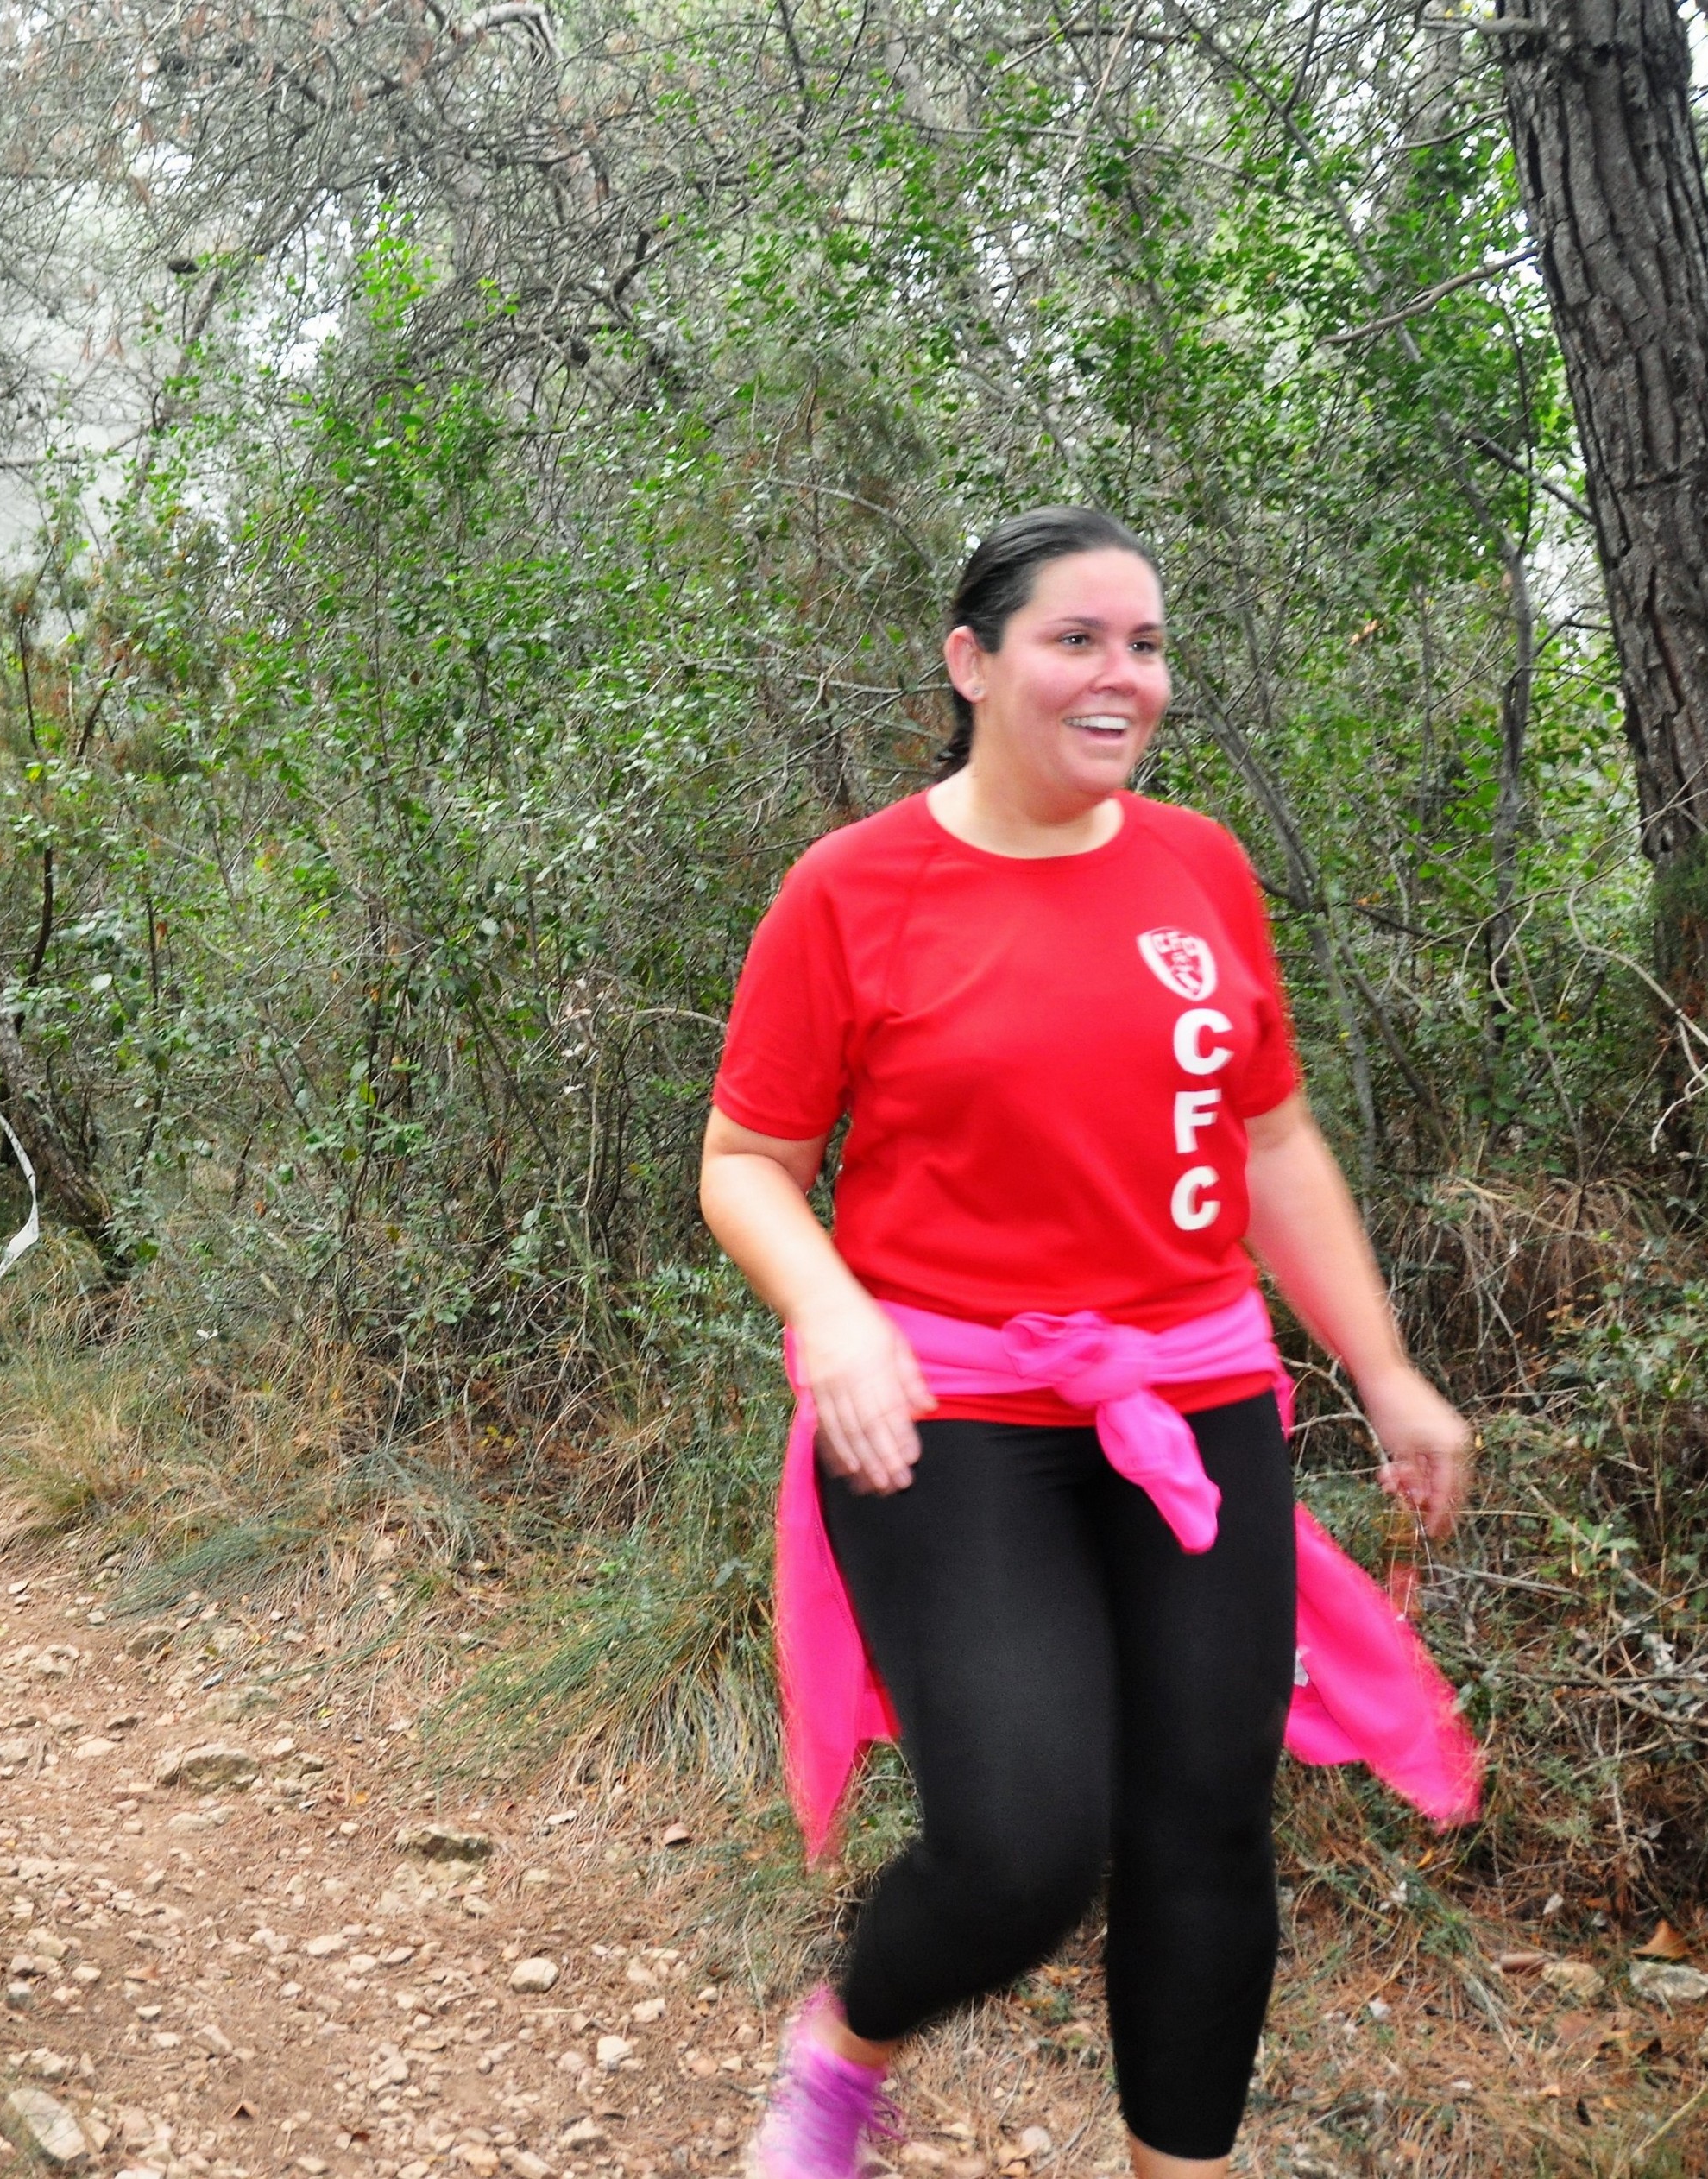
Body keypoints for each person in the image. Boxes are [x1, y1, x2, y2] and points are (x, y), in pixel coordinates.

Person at [699, 509, 1474, 2179]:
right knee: (1019, 1849)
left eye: (1144, 643)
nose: (1122, 674)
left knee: (1203, 1828)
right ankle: (842, 2050)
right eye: (1075, 639)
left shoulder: (1197, 864)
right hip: (943, 1406)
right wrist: (829, 1311)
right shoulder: (853, 887)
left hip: (1193, 1397)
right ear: (969, 661)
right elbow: (745, 1159)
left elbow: (1264, 1134)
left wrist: (1383, 1368)